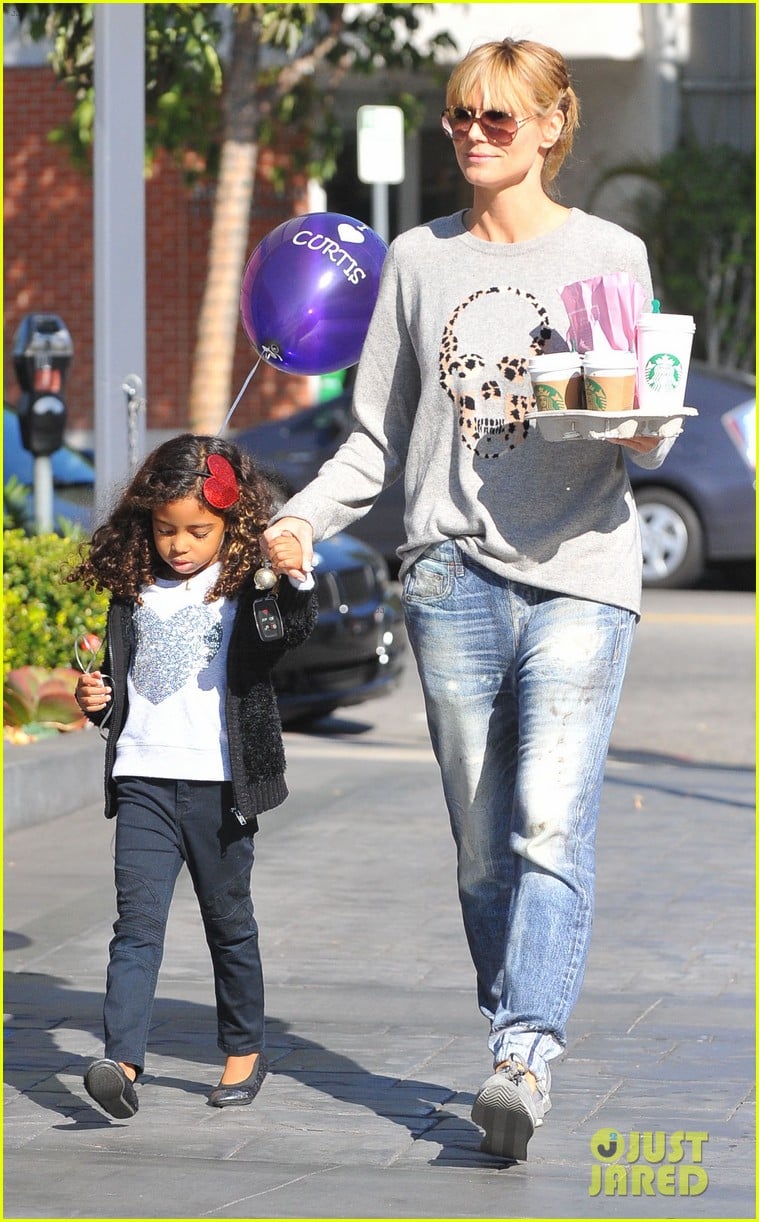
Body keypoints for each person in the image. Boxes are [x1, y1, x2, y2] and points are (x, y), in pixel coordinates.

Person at [264, 38, 677, 1162]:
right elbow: (374, 438)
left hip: (583, 570)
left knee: (549, 815)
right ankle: (516, 1012)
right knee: (482, 850)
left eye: (499, 117)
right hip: (449, 575)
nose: (475, 133)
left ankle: (523, 1053)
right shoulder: (416, 259)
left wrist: (640, 426)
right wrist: (300, 516)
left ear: (552, 126)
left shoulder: (612, 254)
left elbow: (641, 409)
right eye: (460, 116)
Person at [69, 433, 317, 1119]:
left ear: (229, 525)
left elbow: (286, 636)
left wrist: (292, 575)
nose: (179, 545)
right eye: (165, 528)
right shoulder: (134, 590)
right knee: (135, 925)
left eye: (197, 531)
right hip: (143, 779)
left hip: (220, 787)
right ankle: (120, 1062)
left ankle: (243, 1053)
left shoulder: (244, 587)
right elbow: (129, 688)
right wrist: (101, 703)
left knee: (227, 924)